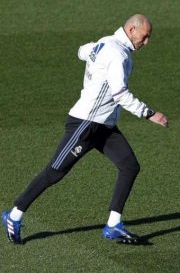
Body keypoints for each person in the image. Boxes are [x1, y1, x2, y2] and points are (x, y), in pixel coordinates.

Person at [2, 14, 168, 244]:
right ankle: (14, 215)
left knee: (129, 166)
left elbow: (82, 50)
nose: (147, 41)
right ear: (131, 30)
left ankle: (113, 225)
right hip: (85, 124)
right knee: (55, 171)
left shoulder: (106, 43)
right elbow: (120, 94)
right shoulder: (117, 54)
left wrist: (91, 55)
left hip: (105, 126)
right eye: (145, 36)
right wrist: (149, 113)